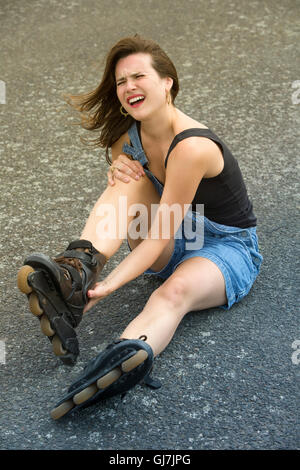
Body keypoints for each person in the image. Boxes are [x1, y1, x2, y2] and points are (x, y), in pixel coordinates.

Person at [17, 35, 263, 419]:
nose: (129, 86)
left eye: (138, 76)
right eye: (120, 82)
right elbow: (146, 216)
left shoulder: (192, 147)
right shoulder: (125, 140)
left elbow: (160, 233)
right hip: (175, 233)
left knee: (173, 291)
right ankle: (77, 270)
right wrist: (116, 168)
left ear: (168, 82)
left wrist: (111, 286)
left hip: (225, 249)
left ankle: (123, 357)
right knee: (126, 178)